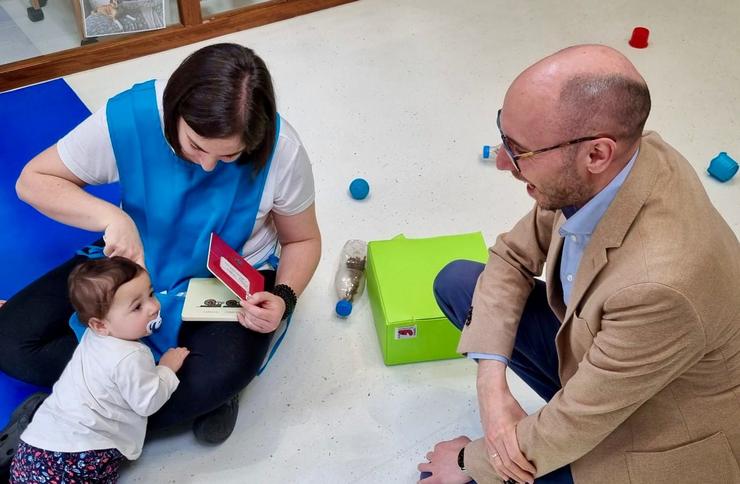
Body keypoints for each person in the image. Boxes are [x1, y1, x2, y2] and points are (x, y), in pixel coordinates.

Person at [420, 44, 740, 484]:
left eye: (519, 151)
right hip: (606, 366)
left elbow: (573, 424)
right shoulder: (608, 169)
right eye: (503, 136)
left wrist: (467, 461)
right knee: (458, 282)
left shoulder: (660, 286)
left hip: (651, 431)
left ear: (596, 154)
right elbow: (511, 255)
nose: (500, 161)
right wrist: (491, 389)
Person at [0, 42, 321, 473]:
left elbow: (302, 241)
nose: (208, 167)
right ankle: (125, 405)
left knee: (215, 376)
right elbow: (33, 180)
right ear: (173, 111)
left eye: (230, 155)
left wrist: (284, 296)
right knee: (10, 341)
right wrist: (111, 218)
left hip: (225, 280)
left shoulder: (283, 152)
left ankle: (64, 420)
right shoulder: (132, 118)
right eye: (194, 146)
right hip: (133, 260)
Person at [9, 257, 189, 483]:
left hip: (34, 447)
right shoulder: (131, 356)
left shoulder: (93, 337)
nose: (154, 307)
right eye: (137, 306)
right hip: (82, 456)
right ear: (101, 325)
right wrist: (166, 369)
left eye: (151, 294)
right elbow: (147, 402)